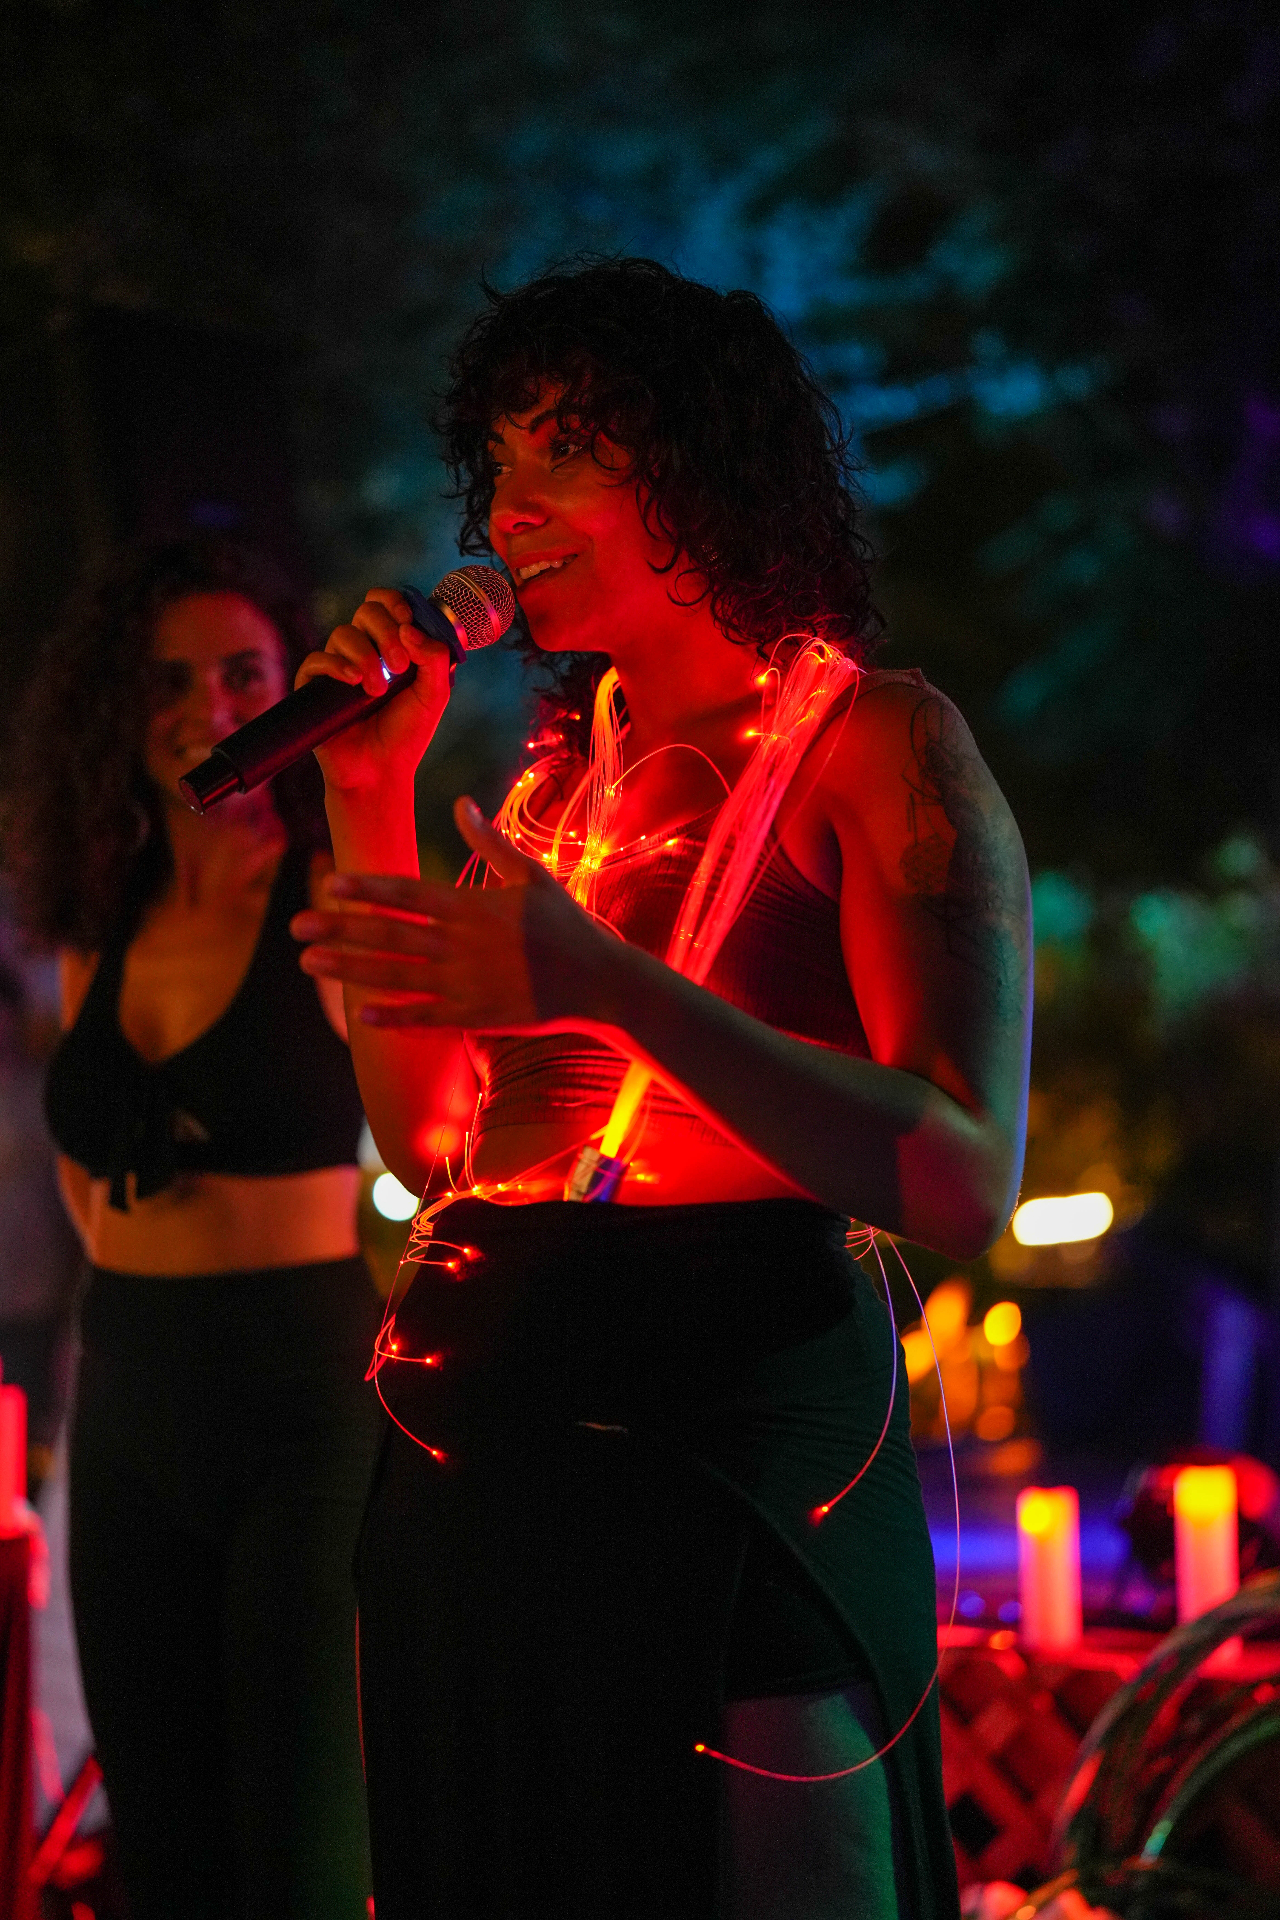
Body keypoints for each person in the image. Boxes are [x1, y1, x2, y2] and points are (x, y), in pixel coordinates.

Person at [293, 259, 1033, 1920]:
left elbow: (962, 1173)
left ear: (699, 471)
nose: (508, 507)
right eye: (495, 464)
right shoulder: (552, 798)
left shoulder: (878, 745)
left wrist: (614, 990)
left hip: (731, 1441)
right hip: (487, 1476)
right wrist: (367, 791)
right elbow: (434, 1150)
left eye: (564, 452)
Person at [4, 536, 377, 1920]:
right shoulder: (89, 915)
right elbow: (80, 1163)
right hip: (131, 1389)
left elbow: (432, 1129)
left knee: (302, 1846)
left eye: (242, 673)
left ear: (294, 687)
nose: (208, 708)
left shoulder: (332, 891)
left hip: (304, 1397)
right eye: (167, 680)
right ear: (114, 701)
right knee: (161, 1842)